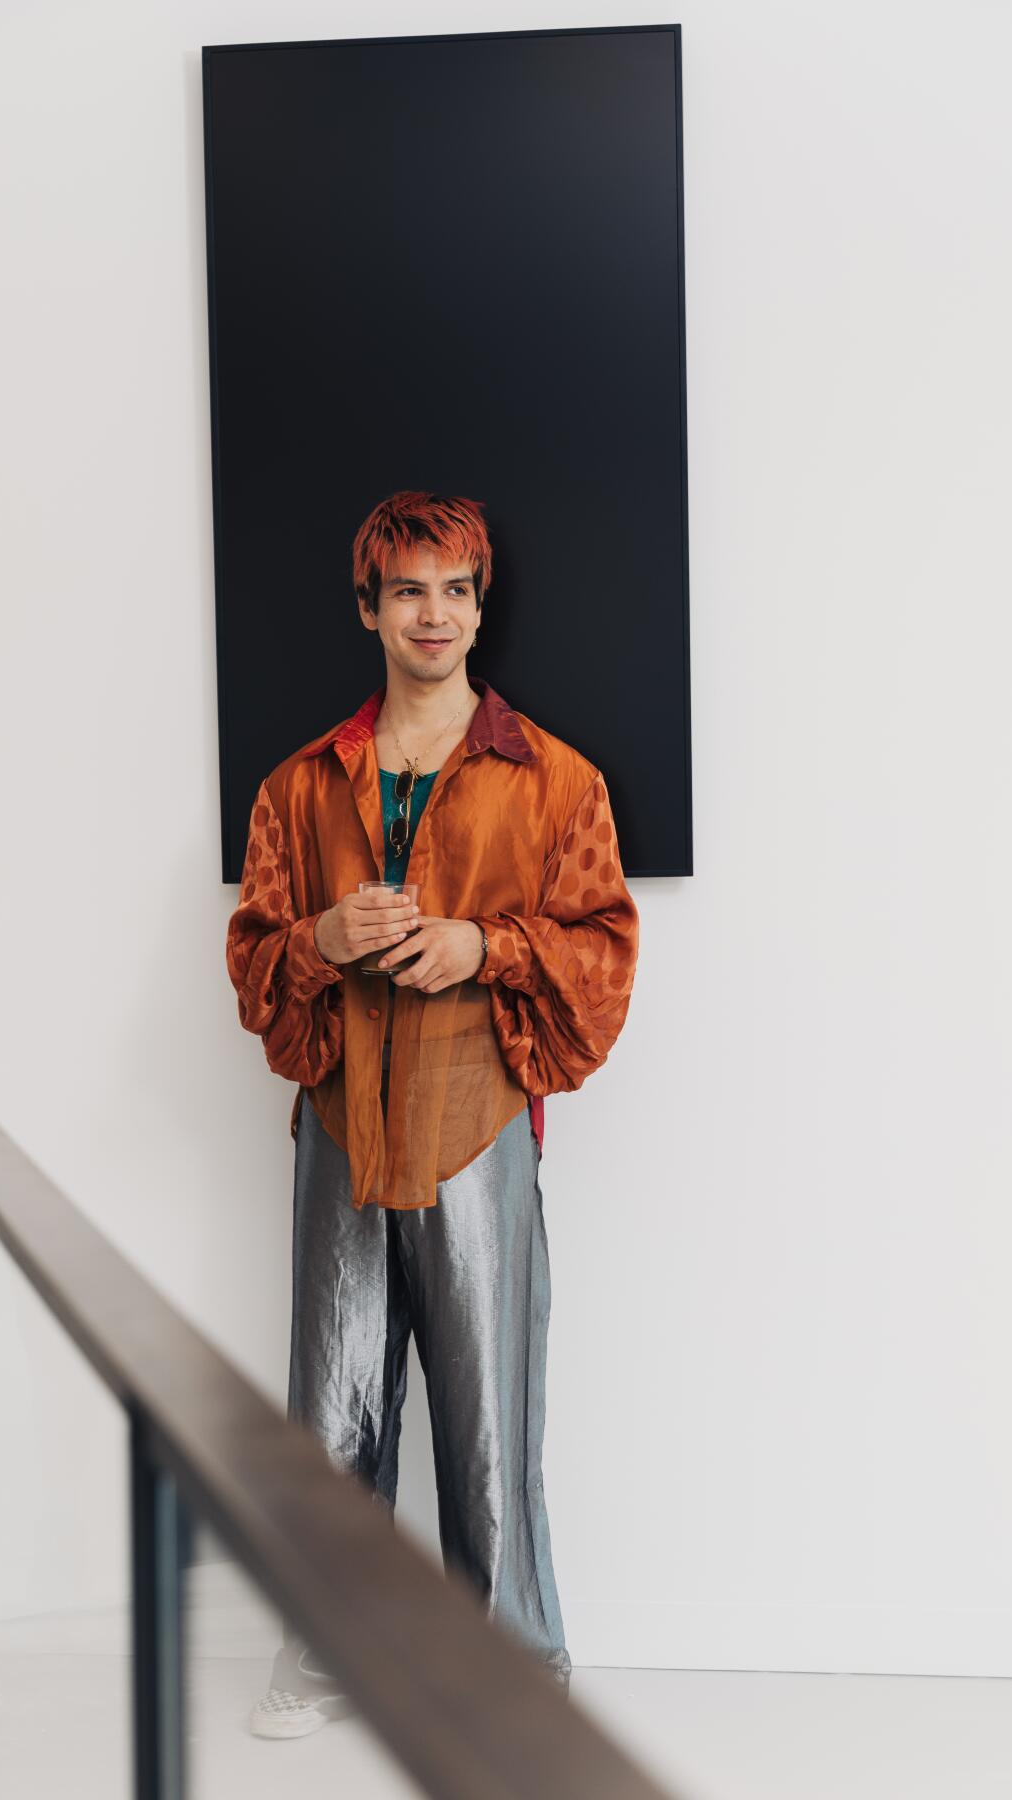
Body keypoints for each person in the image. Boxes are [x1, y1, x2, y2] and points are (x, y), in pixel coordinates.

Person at [225, 489, 639, 1737]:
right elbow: (253, 969)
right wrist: (317, 937)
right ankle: (324, 1656)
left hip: (480, 1131)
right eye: (410, 588)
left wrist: (486, 945)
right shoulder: (300, 789)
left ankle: (509, 1675)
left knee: (489, 1418)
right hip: (342, 1127)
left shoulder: (555, 782)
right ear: (369, 607)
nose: (436, 614)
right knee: (333, 1409)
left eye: (457, 589)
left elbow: (604, 956)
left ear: (480, 605)